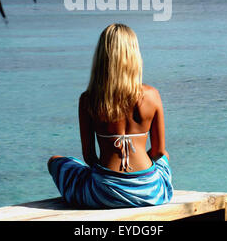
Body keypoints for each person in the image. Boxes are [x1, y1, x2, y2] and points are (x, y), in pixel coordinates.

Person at [47, 23, 173, 208]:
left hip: (104, 193)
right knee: (163, 159)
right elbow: (159, 152)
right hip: (149, 191)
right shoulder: (152, 95)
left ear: (102, 57)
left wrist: (110, 176)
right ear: (134, 55)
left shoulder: (89, 99)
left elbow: (89, 157)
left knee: (56, 162)